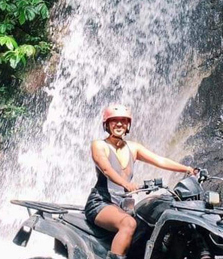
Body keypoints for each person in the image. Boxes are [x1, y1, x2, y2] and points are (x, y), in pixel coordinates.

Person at [84, 104, 198, 259]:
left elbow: (160, 160)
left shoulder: (133, 148)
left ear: (128, 124)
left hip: (122, 205)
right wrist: (126, 184)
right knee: (128, 224)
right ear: (107, 124)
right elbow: (106, 170)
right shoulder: (99, 145)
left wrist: (186, 169)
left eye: (123, 121)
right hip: (100, 202)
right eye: (114, 120)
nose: (119, 124)